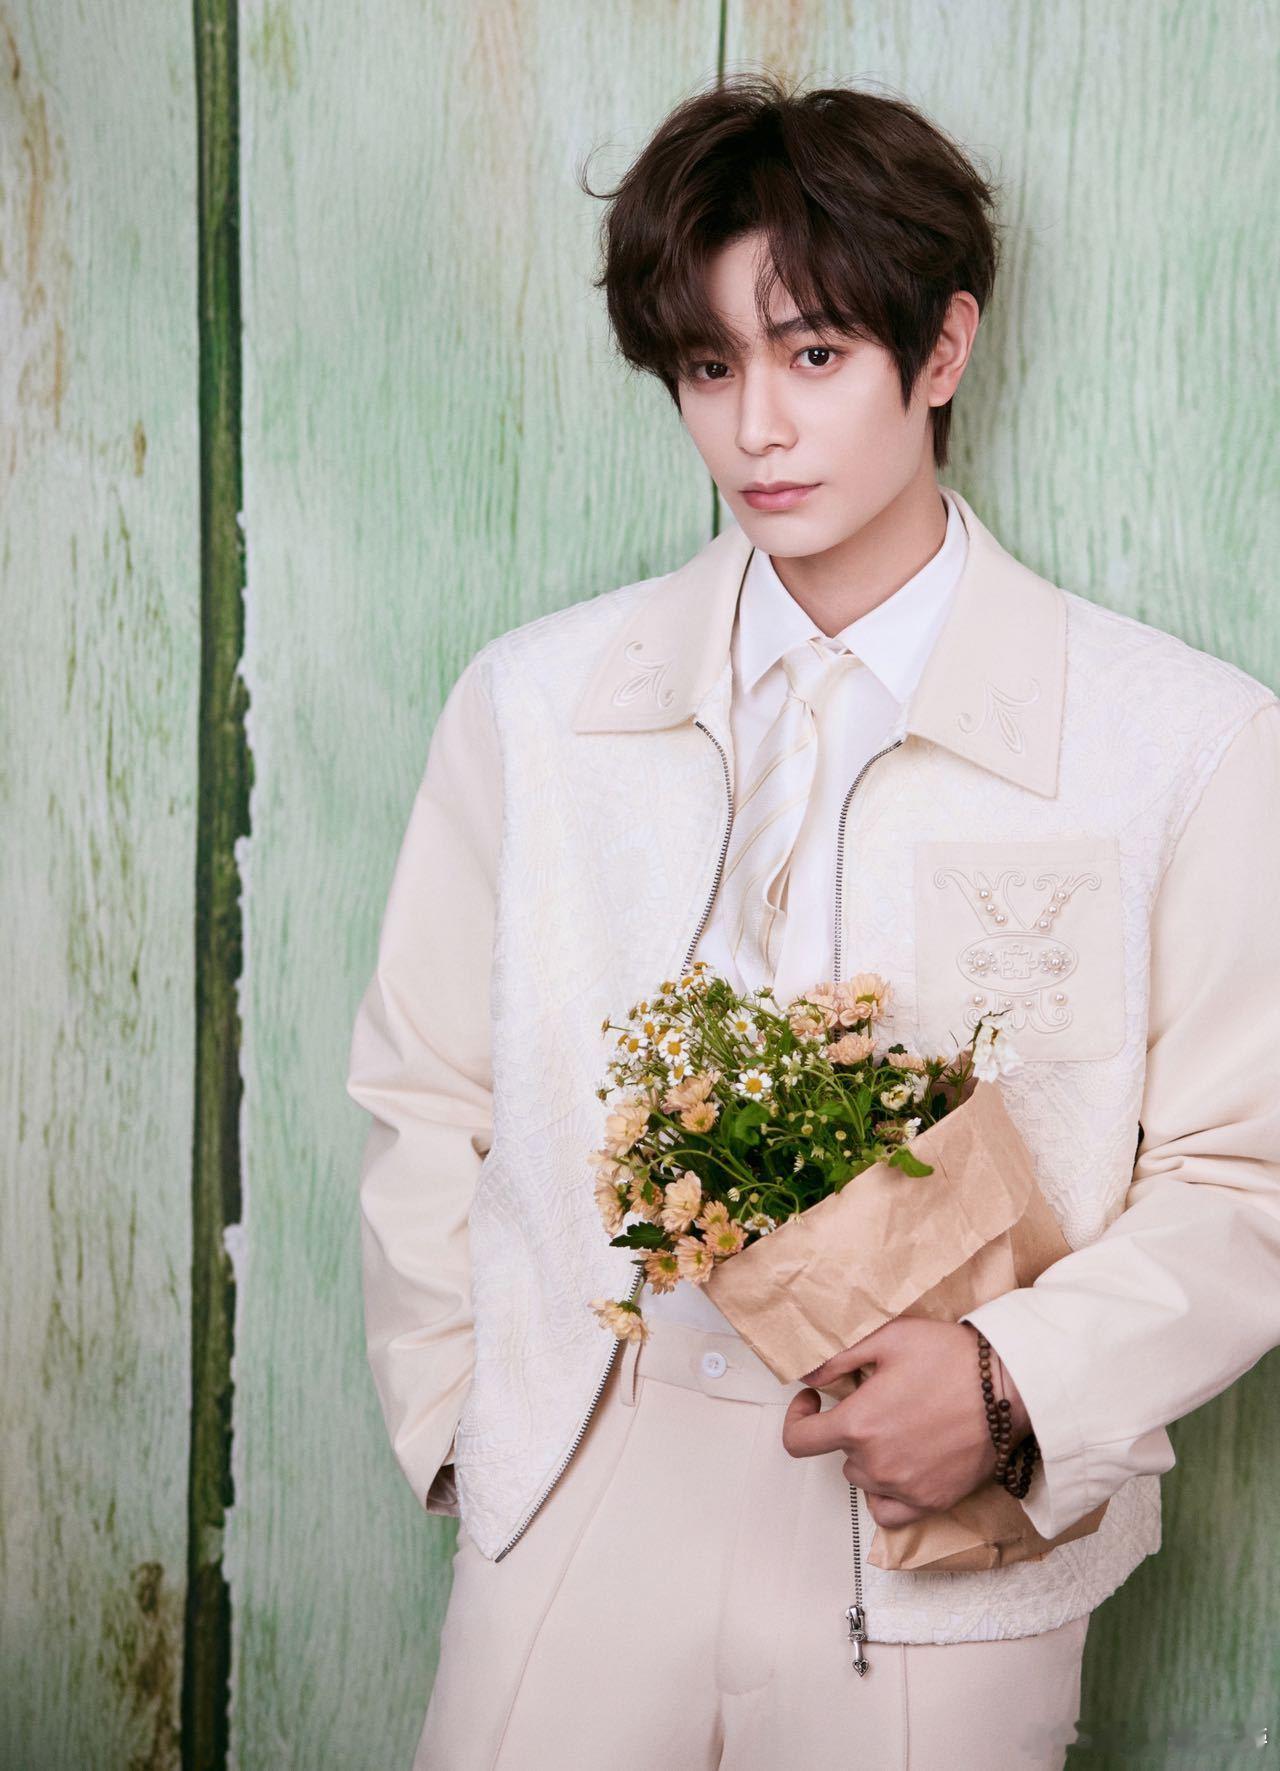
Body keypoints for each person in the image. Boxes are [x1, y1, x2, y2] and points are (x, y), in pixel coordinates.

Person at [345, 73, 1280, 1770]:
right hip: (585, 1475)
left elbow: (1247, 1178)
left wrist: (1009, 1385)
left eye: (816, 353)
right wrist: (474, 1430)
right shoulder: (535, 708)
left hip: (950, 1532)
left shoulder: (1182, 741)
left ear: (944, 349)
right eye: (711, 367)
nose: (757, 428)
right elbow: (424, 1091)